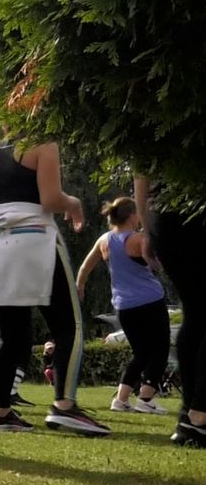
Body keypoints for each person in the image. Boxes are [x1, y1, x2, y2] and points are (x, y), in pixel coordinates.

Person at [0, 138, 109, 436]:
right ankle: (64, 405)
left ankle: (0, 411)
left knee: (12, 334)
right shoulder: (43, 143)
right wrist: (75, 203)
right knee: (69, 325)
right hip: (35, 235)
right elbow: (50, 199)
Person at [76, 197, 170, 414]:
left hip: (124, 306)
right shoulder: (138, 239)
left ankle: (121, 399)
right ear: (133, 216)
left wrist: (80, 286)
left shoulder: (104, 241)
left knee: (141, 353)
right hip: (150, 302)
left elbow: (85, 267)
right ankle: (146, 398)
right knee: (160, 349)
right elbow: (158, 265)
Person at [136, 176, 205, 447]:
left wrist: (147, 229)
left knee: (197, 314)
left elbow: (140, 174)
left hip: (162, 216)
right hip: (195, 207)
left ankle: (190, 415)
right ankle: (200, 413)